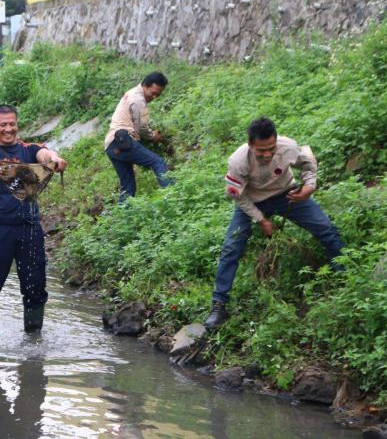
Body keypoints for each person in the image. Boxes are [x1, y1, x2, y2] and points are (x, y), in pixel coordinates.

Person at [204, 117, 345, 328]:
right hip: (252, 201)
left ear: (276, 141)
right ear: (251, 144)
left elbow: (308, 162)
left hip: (286, 194)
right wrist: (261, 220)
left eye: (271, 148)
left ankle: (344, 277)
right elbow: (237, 196)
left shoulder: (288, 146)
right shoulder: (238, 161)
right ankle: (219, 304)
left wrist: (309, 185)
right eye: (261, 151)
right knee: (231, 248)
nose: (267, 154)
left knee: (325, 228)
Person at [0, 104, 67, 336]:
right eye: (3, 125)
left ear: (17, 124)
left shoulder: (30, 150)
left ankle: (33, 343)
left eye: (12, 124)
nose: (8, 129)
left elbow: (45, 154)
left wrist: (54, 159)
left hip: (30, 231)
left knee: (35, 289)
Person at [104, 72, 173, 202]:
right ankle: (174, 197)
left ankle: (124, 218)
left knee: (128, 187)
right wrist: (153, 136)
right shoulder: (139, 101)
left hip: (111, 145)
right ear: (145, 86)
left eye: (158, 94)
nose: (155, 97)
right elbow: (142, 128)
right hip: (123, 141)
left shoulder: (132, 93)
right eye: (153, 92)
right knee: (158, 162)